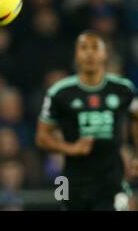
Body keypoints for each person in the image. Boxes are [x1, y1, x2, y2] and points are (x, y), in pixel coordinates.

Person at [36, 30, 138, 211]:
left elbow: (136, 118)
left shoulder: (123, 89)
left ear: (105, 53)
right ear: (76, 55)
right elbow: (42, 137)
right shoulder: (60, 93)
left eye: (95, 47)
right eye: (84, 48)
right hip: (71, 180)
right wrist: (71, 148)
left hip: (112, 178)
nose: (90, 53)